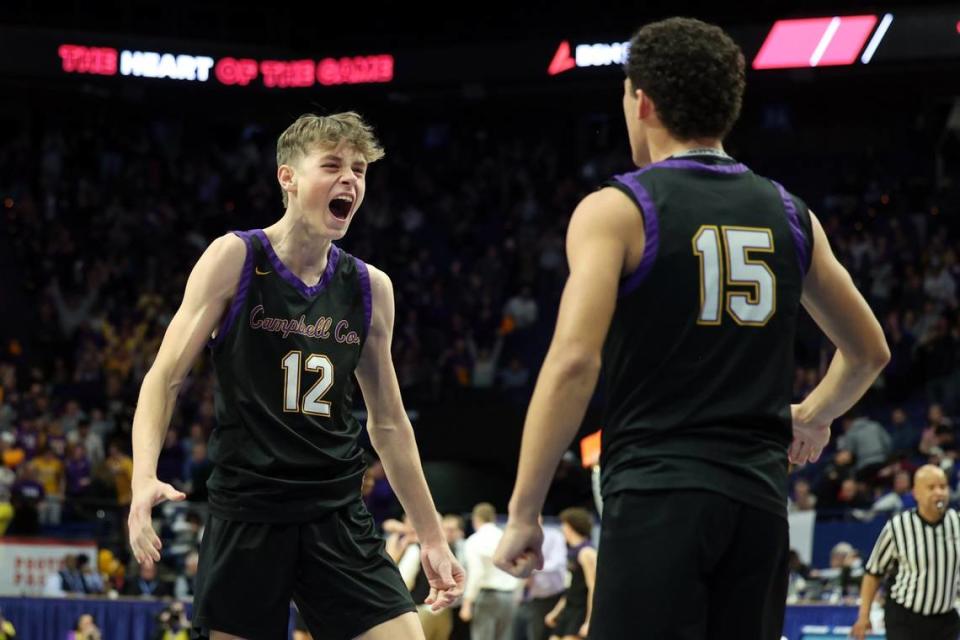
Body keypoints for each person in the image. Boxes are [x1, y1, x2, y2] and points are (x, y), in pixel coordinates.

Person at [493, 17, 890, 640]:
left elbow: (573, 362)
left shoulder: (618, 209)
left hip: (660, 494)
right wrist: (813, 413)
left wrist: (523, 511)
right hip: (758, 506)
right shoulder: (790, 213)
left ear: (642, 100)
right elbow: (868, 351)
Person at [127, 112, 464, 640]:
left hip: (335, 510)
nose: (349, 179)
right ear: (287, 177)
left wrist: (432, 535)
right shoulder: (235, 257)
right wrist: (142, 476)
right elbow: (164, 376)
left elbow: (391, 424)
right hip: (249, 509)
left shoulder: (371, 287)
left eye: (359, 168)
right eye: (331, 165)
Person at [852, 465, 960, 640]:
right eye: (931, 487)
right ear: (916, 493)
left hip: (945, 620)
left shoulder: (957, 523)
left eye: (943, 486)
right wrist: (863, 616)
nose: (939, 492)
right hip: (905, 619)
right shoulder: (898, 527)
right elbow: (873, 573)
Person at [461, 503, 519, 640]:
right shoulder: (506, 538)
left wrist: (467, 603)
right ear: (494, 518)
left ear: (476, 519)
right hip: (509, 596)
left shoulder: (474, 540)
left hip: (488, 596)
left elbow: (477, 572)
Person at [543, 508, 595, 640]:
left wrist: (590, 620)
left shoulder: (586, 552)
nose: (562, 528)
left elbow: (593, 588)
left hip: (581, 609)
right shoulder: (572, 552)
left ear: (570, 526)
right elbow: (572, 587)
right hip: (570, 607)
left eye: (564, 524)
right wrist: (556, 612)